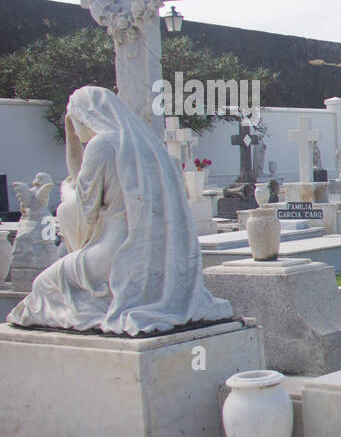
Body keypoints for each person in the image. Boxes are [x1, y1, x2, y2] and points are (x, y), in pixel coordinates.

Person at [8, 87, 232, 335]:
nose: (74, 128)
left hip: (116, 253)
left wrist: (66, 193)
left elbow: (86, 212)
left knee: (44, 285)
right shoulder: (154, 148)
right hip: (157, 256)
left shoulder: (100, 145)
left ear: (84, 116)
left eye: (73, 120)